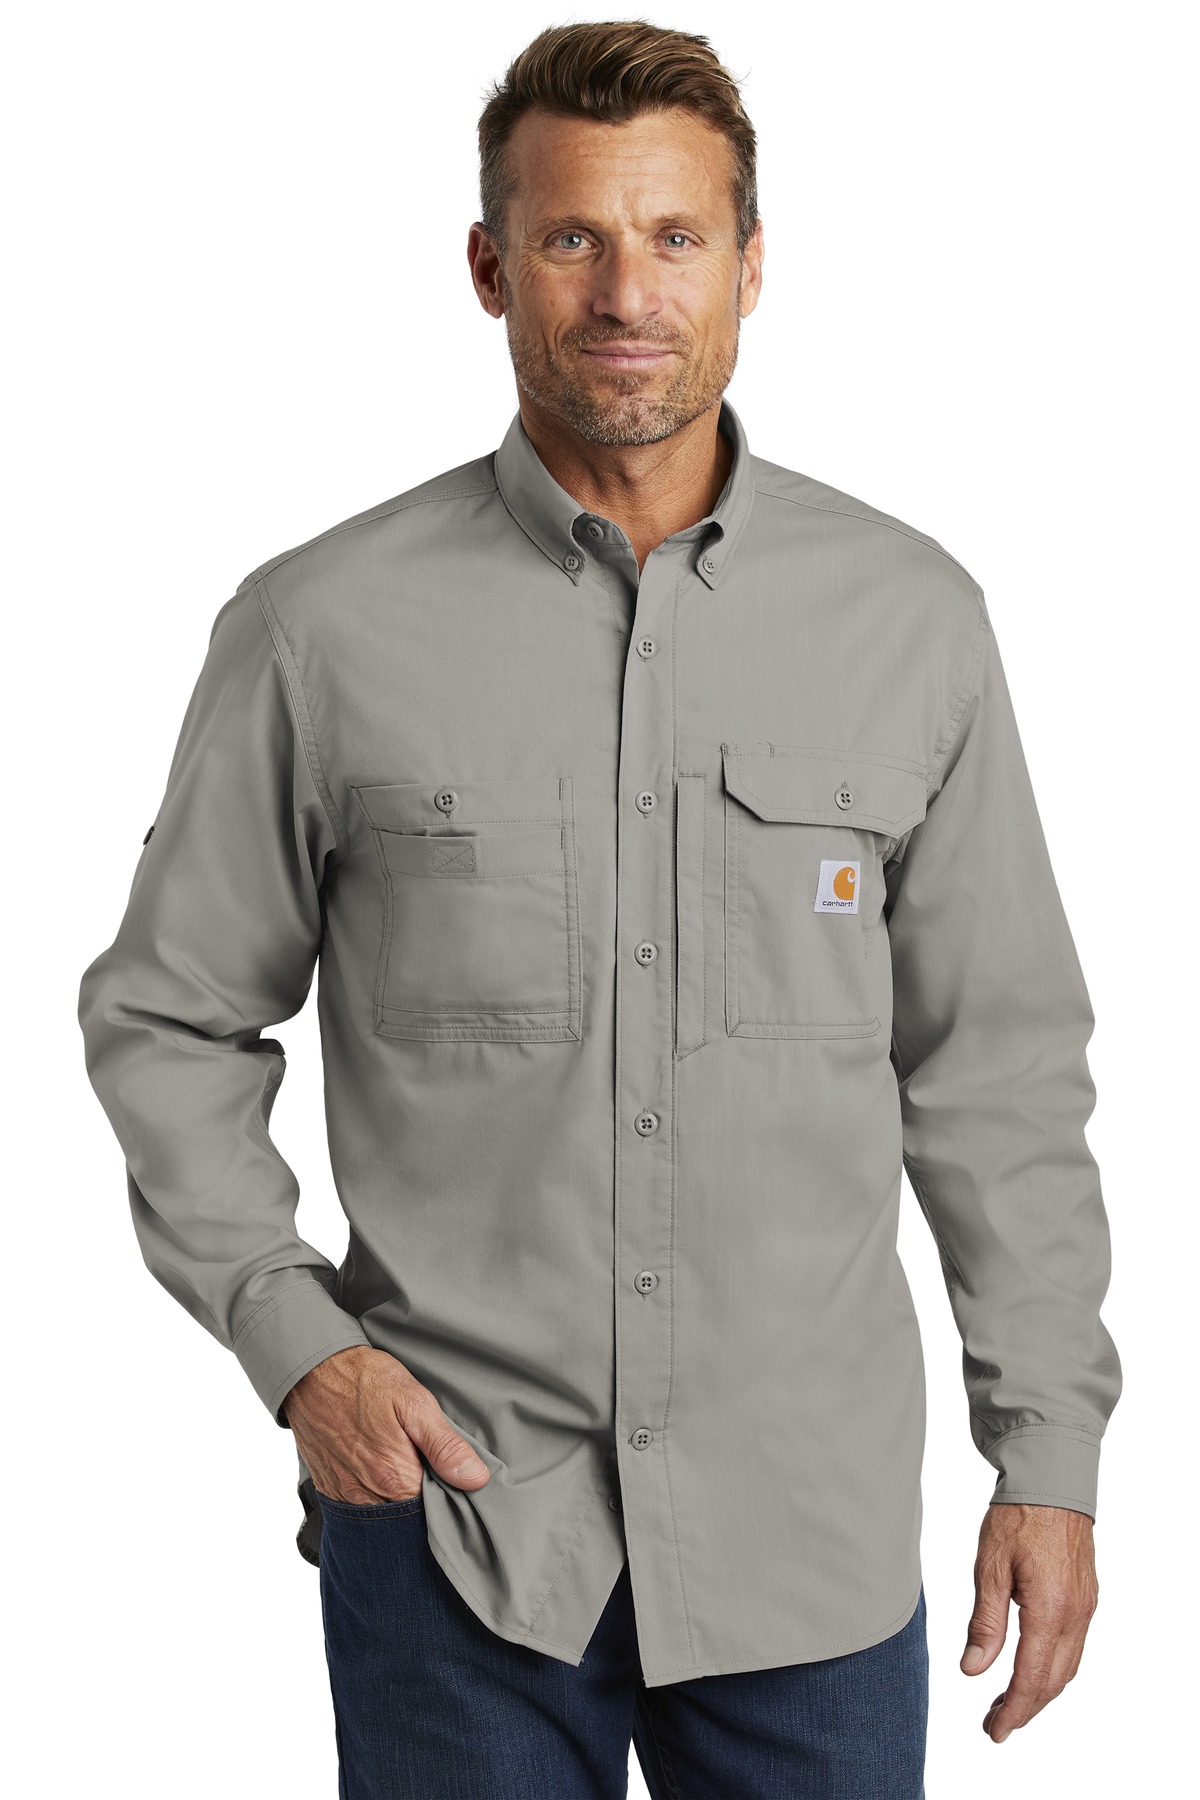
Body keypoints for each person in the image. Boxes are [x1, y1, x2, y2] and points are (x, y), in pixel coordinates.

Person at [77, 19, 1122, 1798]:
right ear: (490, 268)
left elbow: (995, 1071)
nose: (628, 292)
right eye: (572, 237)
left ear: (752, 264)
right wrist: (296, 1344)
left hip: (808, 1545)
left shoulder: (915, 623)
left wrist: (1048, 1453)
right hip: (455, 1533)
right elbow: (169, 1016)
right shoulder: (319, 629)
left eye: (676, 236)